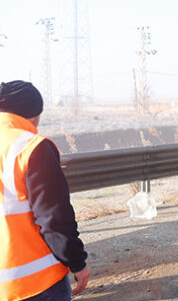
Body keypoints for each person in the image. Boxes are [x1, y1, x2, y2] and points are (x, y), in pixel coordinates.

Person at [0, 81, 90, 301]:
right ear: (34, 114)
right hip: (34, 283)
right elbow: (54, 217)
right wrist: (77, 263)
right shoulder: (31, 147)